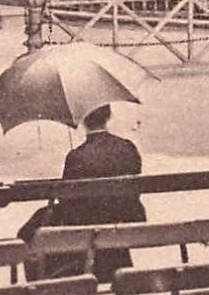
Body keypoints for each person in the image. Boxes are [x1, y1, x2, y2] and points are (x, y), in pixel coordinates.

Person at [21, 104, 147, 284]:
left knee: (32, 229)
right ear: (109, 116)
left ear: (81, 120)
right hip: (126, 222)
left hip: (87, 229)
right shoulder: (128, 148)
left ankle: (46, 288)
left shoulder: (76, 156)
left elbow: (66, 201)